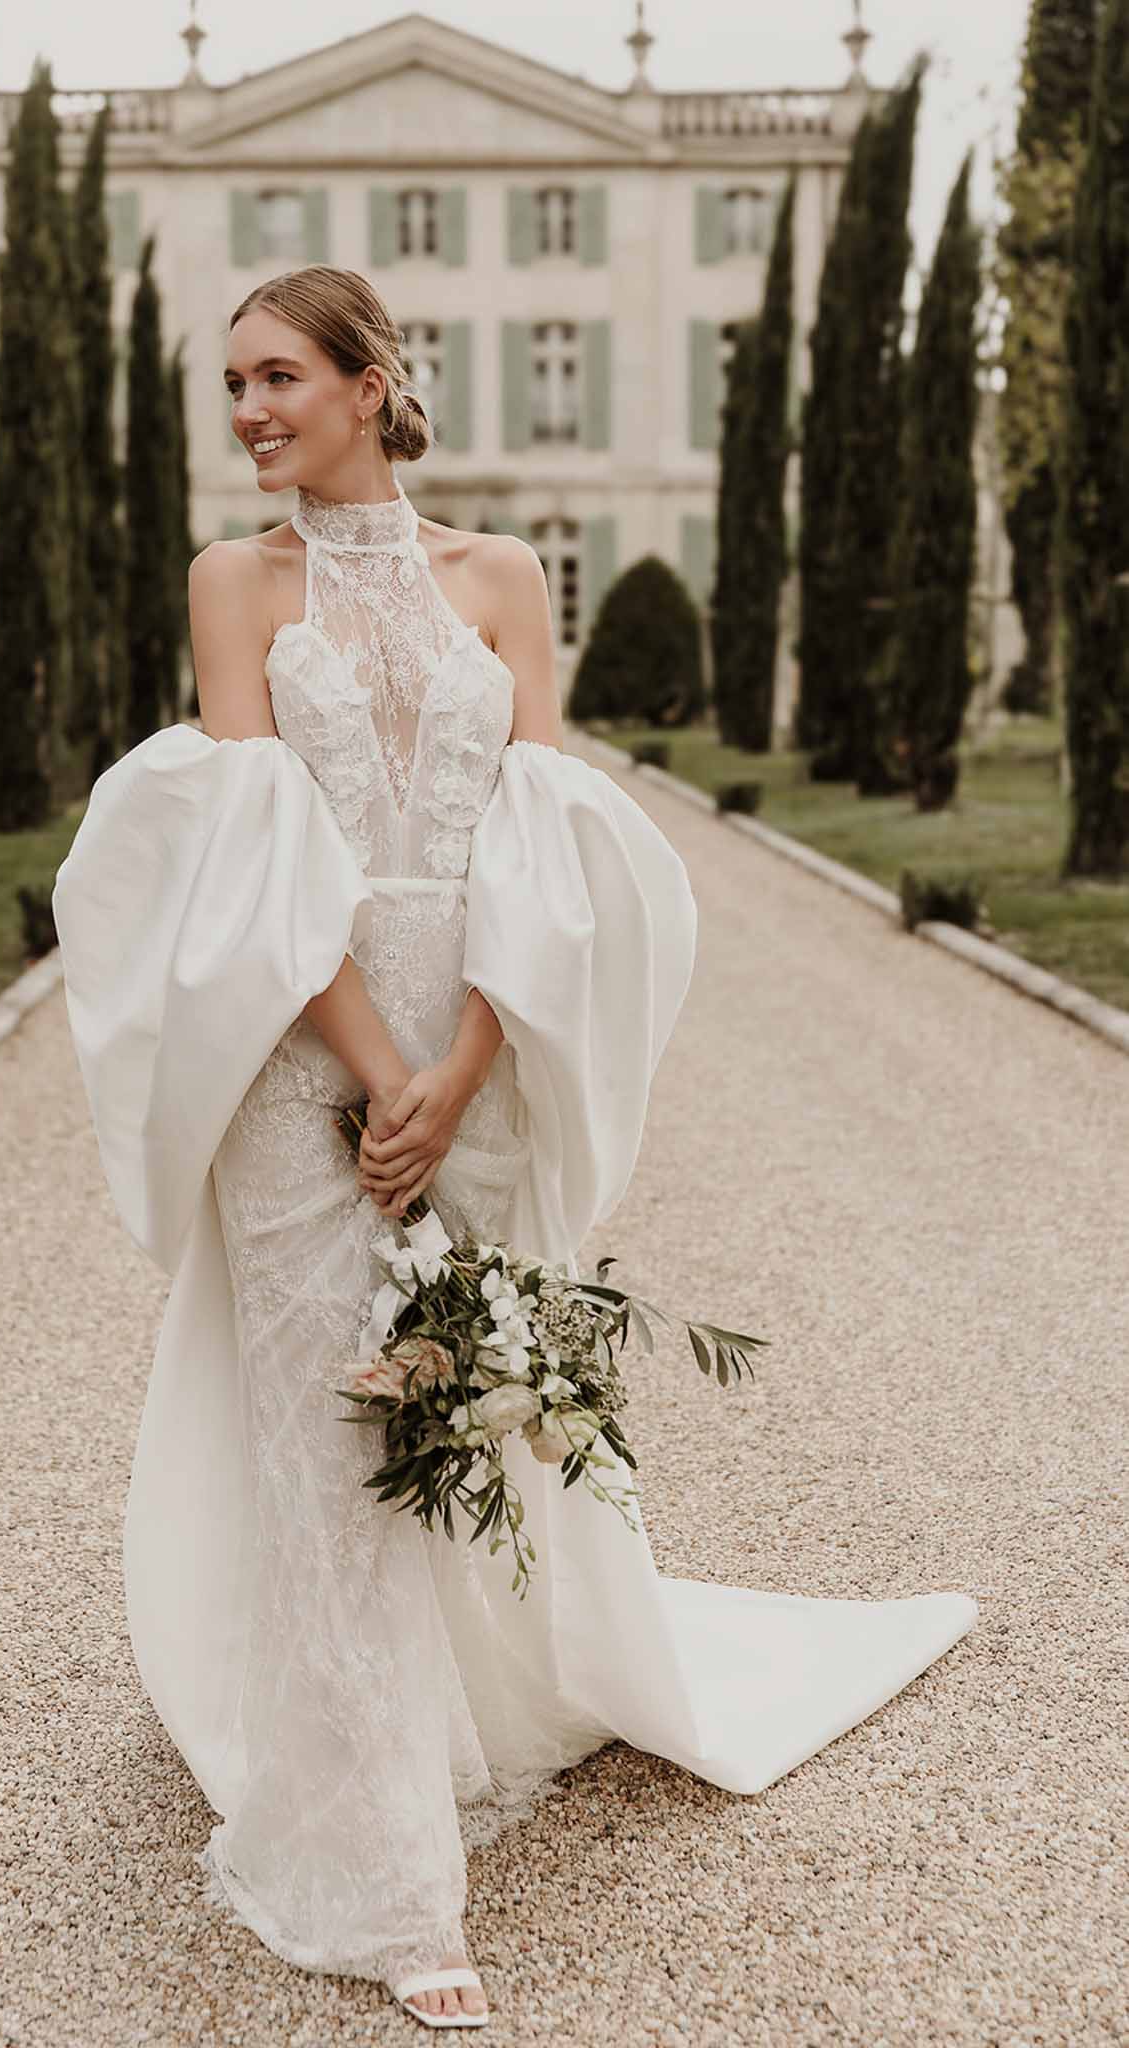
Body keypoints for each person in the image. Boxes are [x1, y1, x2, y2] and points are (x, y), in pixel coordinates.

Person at [51, 265, 979, 2032]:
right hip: (301, 1053)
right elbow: (250, 863)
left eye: (276, 380)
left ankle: (487, 1703)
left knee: (471, 1391)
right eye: (229, 386)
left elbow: (542, 851)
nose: (247, 414)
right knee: (329, 1423)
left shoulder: (498, 580)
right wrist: (374, 1064)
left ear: (369, 379)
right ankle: (383, 1878)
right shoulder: (232, 582)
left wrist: (463, 1069)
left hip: (469, 1047)